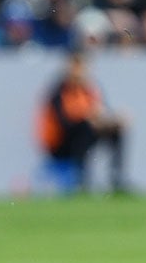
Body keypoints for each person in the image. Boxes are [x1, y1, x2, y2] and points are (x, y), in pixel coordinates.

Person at [40, 50, 130, 195]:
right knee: (85, 129)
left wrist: (113, 120)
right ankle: (81, 182)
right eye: (76, 66)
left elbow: (100, 110)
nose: (79, 71)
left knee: (116, 131)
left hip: (86, 134)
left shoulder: (89, 89)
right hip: (61, 142)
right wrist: (87, 119)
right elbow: (64, 123)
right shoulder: (59, 91)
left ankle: (117, 180)